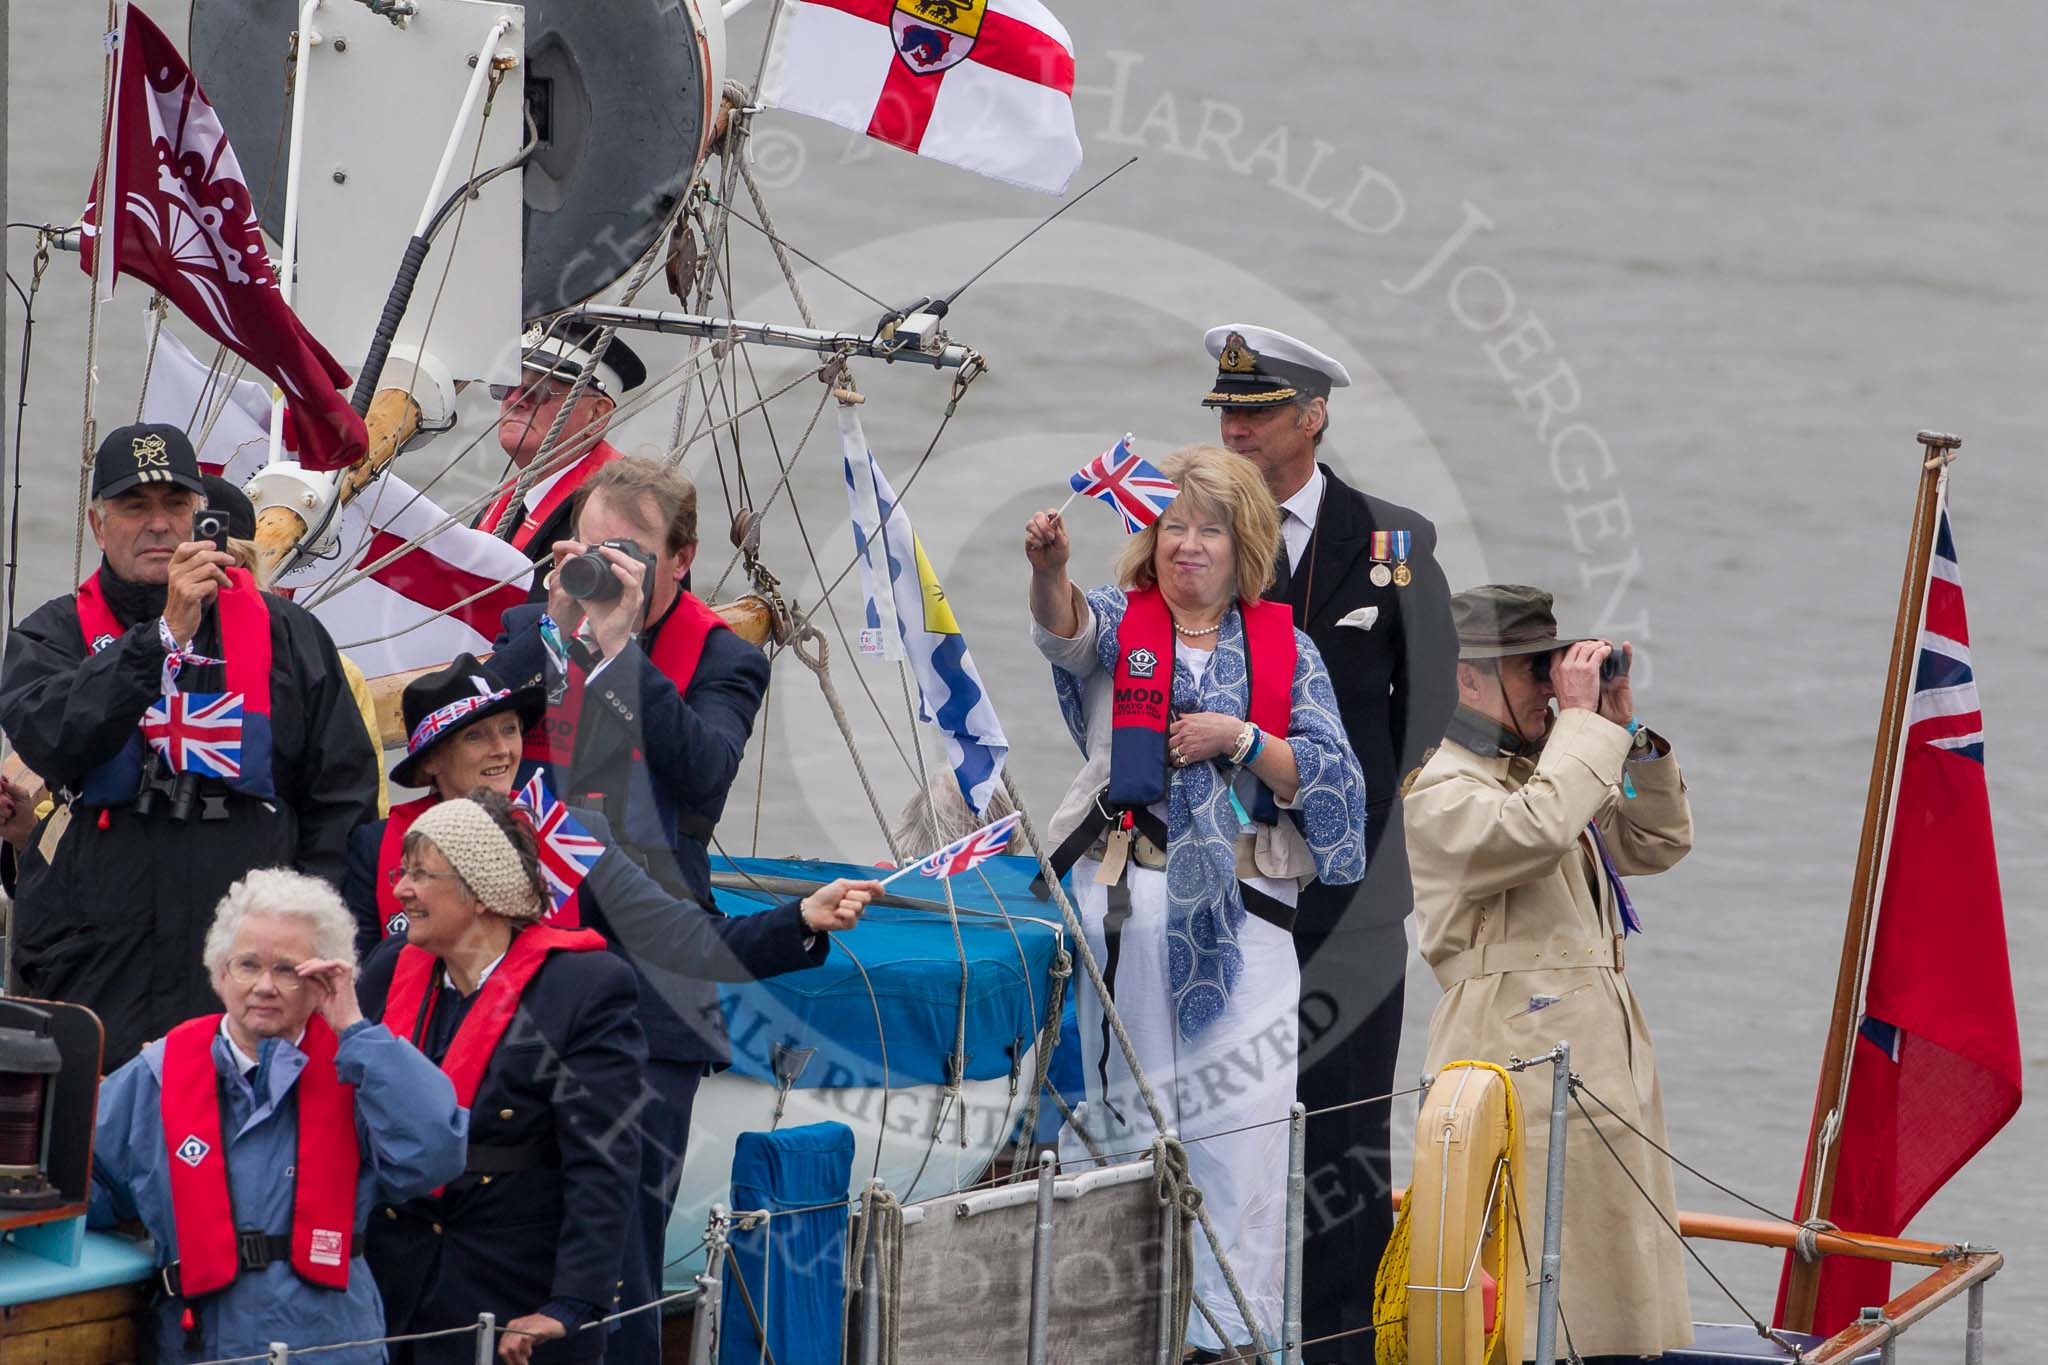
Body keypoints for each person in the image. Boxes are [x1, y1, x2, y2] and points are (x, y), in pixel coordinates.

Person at [1025, 444, 1369, 1361]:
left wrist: (1244, 737)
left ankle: (1228, 1340)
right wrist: (1049, 570)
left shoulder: (1288, 652)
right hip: (1127, 910)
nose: (1187, 545)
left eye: (1208, 529)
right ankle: (1111, 1334)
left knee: (1241, 1137)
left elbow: (1336, 786)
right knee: (1121, 1131)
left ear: (1243, 544)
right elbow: (1061, 630)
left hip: (1249, 925)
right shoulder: (1115, 622)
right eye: (1174, 526)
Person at [357, 792, 876, 1364]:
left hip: (508, 1283)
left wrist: (572, 1303)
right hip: (395, 1282)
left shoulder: (580, 988)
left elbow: (602, 1160)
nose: (402, 890)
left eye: (420, 875)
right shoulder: (387, 969)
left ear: (479, 892)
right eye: (402, 873)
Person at [1204, 322, 1458, 1358]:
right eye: (1226, 411)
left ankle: (1339, 1345)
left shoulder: (1392, 544)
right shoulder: (1198, 536)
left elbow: (1428, 706)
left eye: (1256, 413)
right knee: (1223, 1121)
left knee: (1344, 1134)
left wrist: (1335, 811)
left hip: (1349, 897)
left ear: (1310, 417)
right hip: (1222, 881)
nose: (1236, 429)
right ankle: (1218, 1331)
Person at [0, 424, 380, 1064]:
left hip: (246, 963)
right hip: (98, 962)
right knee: (92, 1148)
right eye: (134, 507)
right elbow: (54, 736)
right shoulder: (52, 636)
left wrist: (312, 940)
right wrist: (163, 637)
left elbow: (342, 799)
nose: (158, 525)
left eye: (175, 505)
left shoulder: (290, 637)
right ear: (99, 526)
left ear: (200, 516)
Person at [1405, 585, 1693, 1360]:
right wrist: (1578, 730)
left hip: (1597, 1058)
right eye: (1533, 670)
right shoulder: (1442, 787)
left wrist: (1621, 727)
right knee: (1526, 1284)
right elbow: (1530, 831)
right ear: (1467, 678)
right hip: (1514, 1062)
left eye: (1552, 667)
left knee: (1615, 1280)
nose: (1549, 686)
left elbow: (1657, 842)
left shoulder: (1552, 769)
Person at [88, 868, 467, 1365]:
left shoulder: (361, 1068)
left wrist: (355, 1028)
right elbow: (81, 1183)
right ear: (220, 973)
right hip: (199, 1343)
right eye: (247, 965)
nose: (264, 986)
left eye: (289, 970)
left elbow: (435, 1155)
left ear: (323, 981)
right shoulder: (156, 1073)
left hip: (329, 1344)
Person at [491, 456, 768, 904]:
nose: (602, 569)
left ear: (681, 559)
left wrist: (621, 656)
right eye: (590, 550)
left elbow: (707, 776)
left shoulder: (722, 658)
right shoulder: (530, 627)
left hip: (650, 899)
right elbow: (451, 727)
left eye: (623, 555)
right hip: (516, 878)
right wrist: (551, 634)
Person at [478, 322, 648, 566]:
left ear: (597, 414)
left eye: (538, 391)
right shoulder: (504, 503)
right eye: (505, 386)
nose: (514, 400)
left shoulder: (625, 509)